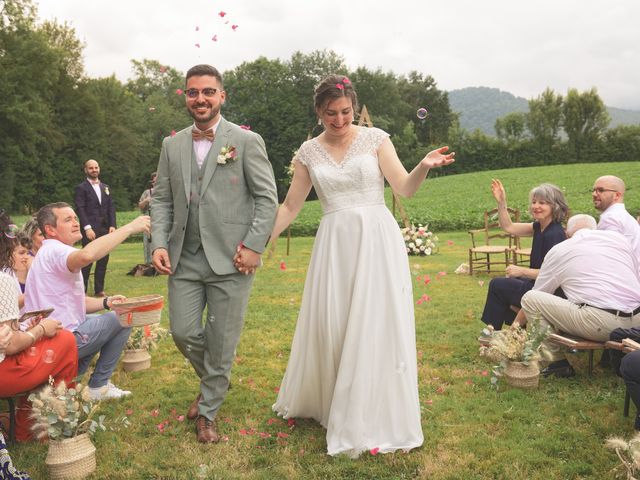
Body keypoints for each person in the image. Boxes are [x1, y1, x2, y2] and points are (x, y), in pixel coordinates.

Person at [269, 74, 455, 458]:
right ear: (319, 111)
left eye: (345, 112)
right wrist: (257, 242)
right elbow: (289, 207)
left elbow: (403, 187)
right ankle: (331, 400)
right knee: (334, 322)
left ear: (354, 107)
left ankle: (371, 409)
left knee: (374, 321)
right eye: (330, 114)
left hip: (376, 239)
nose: (339, 120)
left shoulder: (376, 139)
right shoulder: (308, 152)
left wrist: (423, 164)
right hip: (335, 243)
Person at [151, 64, 278, 443]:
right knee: (183, 331)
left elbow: (267, 198)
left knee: (222, 339)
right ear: (186, 97)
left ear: (222, 95)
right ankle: (214, 383)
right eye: (193, 92)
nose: (200, 98)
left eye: (208, 91)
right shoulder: (171, 146)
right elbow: (161, 200)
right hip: (184, 257)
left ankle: (208, 413)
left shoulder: (245, 140)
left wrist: (254, 246)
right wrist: (158, 242)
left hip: (232, 258)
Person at [24, 202, 150, 400]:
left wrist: (107, 302)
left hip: (53, 337)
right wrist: (130, 227)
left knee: (98, 318)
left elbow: (73, 302)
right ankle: (98, 386)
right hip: (57, 341)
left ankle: (71, 382)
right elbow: (87, 256)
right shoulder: (56, 250)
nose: (76, 222)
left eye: (75, 218)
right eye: (67, 220)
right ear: (50, 230)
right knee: (124, 318)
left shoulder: (48, 252)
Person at [518, 214, 640, 378]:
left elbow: (540, 292)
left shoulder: (560, 249)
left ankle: (556, 362)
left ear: (567, 234)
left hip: (600, 323)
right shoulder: (619, 240)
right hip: (638, 322)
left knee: (530, 298)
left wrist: (515, 327)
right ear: (596, 229)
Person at [0, 271, 78, 443]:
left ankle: (24, 425)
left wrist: (27, 332)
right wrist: (41, 329)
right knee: (65, 340)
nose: (24, 256)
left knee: (42, 347)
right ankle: (55, 422)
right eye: (19, 251)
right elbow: (11, 345)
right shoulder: (2, 280)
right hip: (4, 372)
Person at [480, 181, 568, 330]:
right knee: (507, 282)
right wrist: (502, 202)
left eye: (542, 203)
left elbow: (553, 275)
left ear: (555, 206)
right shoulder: (539, 226)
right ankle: (508, 330)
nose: (536, 206)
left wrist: (522, 271)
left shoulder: (554, 234)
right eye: (534, 202)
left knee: (497, 285)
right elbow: (508, 226)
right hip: (535, 284)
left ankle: (493, 331)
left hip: (545, 292)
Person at [74, 159, 117, 297]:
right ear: (86, 170)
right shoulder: (81, 188)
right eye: (91, 168)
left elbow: (111, 207)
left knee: (103, 259)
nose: (94, 170)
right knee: (87, 260)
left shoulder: (106, 187)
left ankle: (99, 290)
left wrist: (112, 225)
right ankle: (83, 290)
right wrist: (87, 228)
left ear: (99, 169)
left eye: (96, 167)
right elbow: (80, 209)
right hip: (90, 229)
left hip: (105, 229)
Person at [592, 175, 640, 264]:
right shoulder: (623, 216)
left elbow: (610, 257)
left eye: (601, 190)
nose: (594, 194)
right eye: (594, 190)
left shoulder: (611, 219)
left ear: (617, 195)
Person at [138, 172, 157, 265]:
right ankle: (149, 263)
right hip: (148, 219)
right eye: (153, 182)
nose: (155, 183)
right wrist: (146, 200)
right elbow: (140, 206)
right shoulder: (147, 192)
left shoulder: (166, 191)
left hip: (161, 220)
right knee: (148, 242)